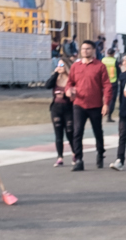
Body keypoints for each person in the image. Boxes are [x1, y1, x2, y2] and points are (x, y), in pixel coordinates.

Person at [66, 40, 112, 171]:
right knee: (77, 132)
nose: (85, 51)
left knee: (97, 131)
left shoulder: (100, 66)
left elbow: (107, 85)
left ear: (93, 50)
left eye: (88, 49)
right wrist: (69, 90)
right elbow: (70, 82)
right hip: (79, 104)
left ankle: (100, 153)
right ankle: (79, 159)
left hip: (95, 105)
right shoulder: (76, 66)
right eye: (83, 49)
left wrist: (106, 104)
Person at [46, 57, 77, 167]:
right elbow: (47, 85)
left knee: (69, 131)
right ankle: (60, 157)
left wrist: (66, 95)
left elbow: (75, 93)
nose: (60, 68)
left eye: (62, 65)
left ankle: (75, 153)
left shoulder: (71, 79)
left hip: (68, 108)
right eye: (58, 65)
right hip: (56, 108)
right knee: (58, 133)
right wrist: (55, 74)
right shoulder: (56, 78)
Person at [109, 54, 126, 170]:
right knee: (122, 135)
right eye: (123, 60)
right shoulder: (122, 76)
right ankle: (120, 160)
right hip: (125, 109)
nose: (125, 62)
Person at [101, 47, 119, 121]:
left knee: (103, 98)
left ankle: (102, 112)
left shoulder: (103, 60)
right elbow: (118, 71)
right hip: (113, 81)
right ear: (113, 53)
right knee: (112, 99)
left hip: (103, 82)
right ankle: (109, 116)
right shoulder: (115, 61)